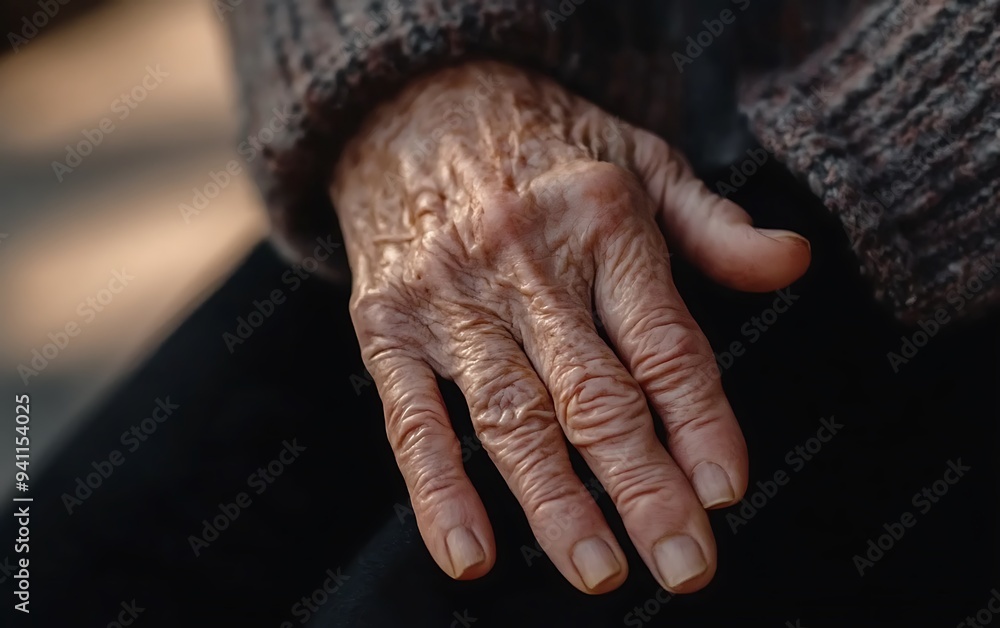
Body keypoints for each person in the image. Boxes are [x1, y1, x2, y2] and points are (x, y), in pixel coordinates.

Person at [223, 0, 1000, 597]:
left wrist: (905, 150)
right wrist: (389, 73)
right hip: (502, 73)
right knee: (133, 550)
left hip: (899, 179)